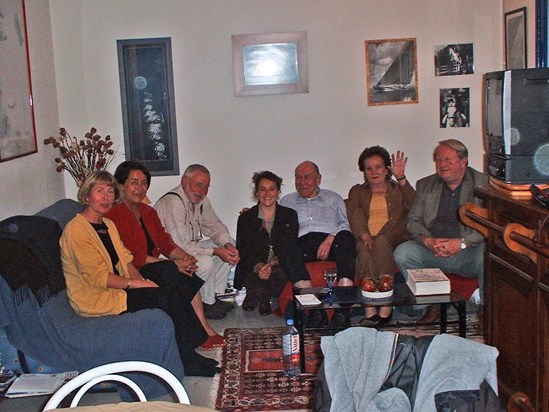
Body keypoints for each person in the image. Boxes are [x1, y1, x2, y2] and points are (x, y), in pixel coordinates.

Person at [60, 171, 221, 377]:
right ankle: (187, 359)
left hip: (117, 290)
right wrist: (139, 285)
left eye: (110, 192)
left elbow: (125, 259)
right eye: (99, 191)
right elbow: (99, 278)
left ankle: (188, 352)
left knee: (171, 292)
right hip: (97, 298)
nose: (106, 197)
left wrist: (141, 280)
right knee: (165, 298)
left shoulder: (106, 225)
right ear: (86, 196)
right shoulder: (76, 231)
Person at [106, 161, 225, 351]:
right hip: (134, 268)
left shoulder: (147, 211)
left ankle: (203, 327)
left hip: (154, 264)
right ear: (121, 185)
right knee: (172, 271)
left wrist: (185, 257)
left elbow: (165, 242)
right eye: (134, 182)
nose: (140, 188)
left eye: (144, 183)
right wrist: (172, 262)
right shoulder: (115, 214)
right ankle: (194, 334)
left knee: (185, 270)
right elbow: (129, 257)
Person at [393, 139, 488, 322]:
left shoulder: (483, 184)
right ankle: (430, 306)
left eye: (447, 159)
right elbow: (413, 220)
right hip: (433, 250)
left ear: (464, 161)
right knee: (403, 253)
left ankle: (485, 309)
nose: (442, 164)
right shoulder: (426, 185)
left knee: (488, 255)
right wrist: (428, 241)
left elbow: (488, 224)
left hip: (468, 250)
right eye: (438, 160)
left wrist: (462, 243)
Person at [155, 164, 240, 320]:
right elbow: (180, 247)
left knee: (230, 246)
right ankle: (207, 304)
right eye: (198, 185)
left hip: (187, 248)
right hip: (167, 256)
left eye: (206, 187)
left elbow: (215, 227)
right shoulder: (173, 202)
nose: (201, 191)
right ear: (184, 181)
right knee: (206, 261)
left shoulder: (202, 201)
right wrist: (215, 251)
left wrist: (226, 245)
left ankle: (216, 295)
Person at [280, 160, 356, 327]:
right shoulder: (286, 201)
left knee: (347, 238)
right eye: (298, 177)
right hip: (302, 246)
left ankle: (342, 310)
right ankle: (315, 309)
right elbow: (274, 222)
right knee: (285, 245)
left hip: (331, 241)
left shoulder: (333, 198)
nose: (302, 182)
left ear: (319, 179)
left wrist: (330, 239)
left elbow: (345, 224)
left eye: (307, 177)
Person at [347, 147, 415, 326]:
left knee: (382, 241)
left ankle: (386, 306)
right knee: (362, 247)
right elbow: (355, 214)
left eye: (378, 167)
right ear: (364, 172)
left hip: (395, 236)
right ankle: (370, 308)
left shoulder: (397, 189)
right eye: (369, 168)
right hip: (367, 236)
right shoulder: (357, 191)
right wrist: (364, 234)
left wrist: (401, 178)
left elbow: (415, 206)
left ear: (387, 169)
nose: (374, 172)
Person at [235, 171, 310, 316]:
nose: (267, 193)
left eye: (272, 189)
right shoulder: (246, 218)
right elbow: (242, 250)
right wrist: (259, 267)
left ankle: (260, 295)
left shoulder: (289, 215)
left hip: (278, 264)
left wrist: (271, 264)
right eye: (262, 189)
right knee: (249, 271)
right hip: (254, 265)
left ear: (278, 192)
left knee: (281, 271)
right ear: (256, 193)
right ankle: (262, 296)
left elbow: (290, 246)